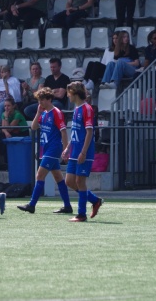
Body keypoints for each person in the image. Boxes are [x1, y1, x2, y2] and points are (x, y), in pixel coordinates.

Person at [17, 87, 72, 214]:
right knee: (58, 177)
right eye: (39, 100)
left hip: (53, 149)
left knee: (39, 175)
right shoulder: (44, 113)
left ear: (49, 99)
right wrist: (38, 113)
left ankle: (32, 205)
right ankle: (67, 206)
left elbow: (63, 132)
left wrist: (65, 150)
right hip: (46, 148)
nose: (40, 103)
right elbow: (34, 127)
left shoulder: (56, 112)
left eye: (42, 100)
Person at [63, 81, 103, 222]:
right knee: (69, 181)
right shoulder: (76, 109)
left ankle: (81, 214)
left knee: (80, 181)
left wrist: (84, 152)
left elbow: (89, 132)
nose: (68, 95)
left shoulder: (87, 109)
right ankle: (95, 200)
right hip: (75, 151)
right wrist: (68, 148)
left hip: (83, 151)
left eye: (69, 92)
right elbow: (75, 133)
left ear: (75, 93)